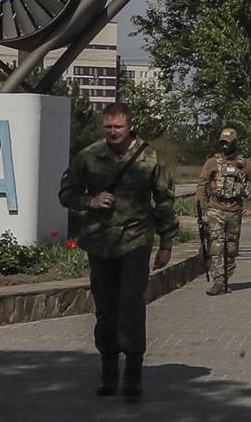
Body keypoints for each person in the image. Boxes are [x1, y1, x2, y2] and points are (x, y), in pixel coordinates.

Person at [58, 103, 176, 399]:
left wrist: (166, 244)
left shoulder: (149, 158)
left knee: (131, 305)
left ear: (131, 126)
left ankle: (133, 374)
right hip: (99, 243)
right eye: (108, 127)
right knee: (106, 308)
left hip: (136, 240)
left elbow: (164, 201)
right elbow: (66, 194)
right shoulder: (89, 157)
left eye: (118, 127)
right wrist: (91, 201)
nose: (112, 132)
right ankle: (108, 371)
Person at [197, 126, 251, 296]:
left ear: (235, 143)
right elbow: (201, 186)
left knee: (231, 248)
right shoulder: (212, 163)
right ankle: (218, 282)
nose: (224, 147)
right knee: (216, 246)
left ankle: (226, 278)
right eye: (222, 143)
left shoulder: (244, 164)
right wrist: (200, 213)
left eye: (228, 143)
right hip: (215, 210)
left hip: (235, 211)